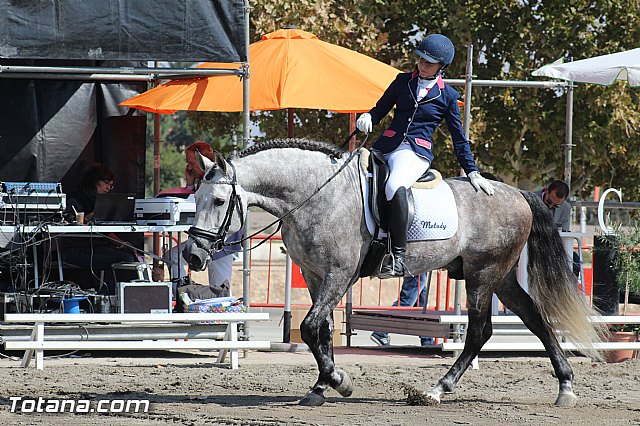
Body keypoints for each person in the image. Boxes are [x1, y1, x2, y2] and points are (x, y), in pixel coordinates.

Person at [356, 33, 495, 278]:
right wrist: (369, 117)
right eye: (420, 60)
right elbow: (381, 109)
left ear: (442, 67)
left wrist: (472, 170)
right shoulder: (402, 81)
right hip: (386, 146)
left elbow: (458, 137)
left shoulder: (448, 96)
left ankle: (396, 256)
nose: (421, 65)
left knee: (394, 186)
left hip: (414, 152)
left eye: (428, 63)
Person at [162, 142, 241, 291]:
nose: (189, 167)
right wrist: (190, 183)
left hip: (221, 240)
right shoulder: (203, 180)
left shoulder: (217, 178)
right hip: (208, 238)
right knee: (173, 256)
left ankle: (183, 292)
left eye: (192, 163)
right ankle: (182, 291)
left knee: (219, 286)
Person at [63, 164, 137, 294]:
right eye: (106, 183)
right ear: (94, 181)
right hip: (74, 249)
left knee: (129, 257)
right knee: (122, 259)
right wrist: (91, 215)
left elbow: (105, 231)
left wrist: (122, 243)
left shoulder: (102, 200)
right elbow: (68, 222)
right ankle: (106, 296)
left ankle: (111, 294)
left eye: (111, 185)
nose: (108, 187)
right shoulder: (77, 198)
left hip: (95, 247)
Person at [370, 273, 434, 347]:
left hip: (420, 267)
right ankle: (381, 332)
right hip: (419, 267)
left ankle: (427, 341)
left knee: (421, 301)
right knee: (406, 302)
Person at [536, 179, 580, 276]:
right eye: (548, 202)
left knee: (575, 261)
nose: (550, 206)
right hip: (533, 245)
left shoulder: (566, 208)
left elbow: (565, 232)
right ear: (546, 191)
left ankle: (569, 289)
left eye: (556, 206)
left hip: (552, 246)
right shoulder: (532, 198)